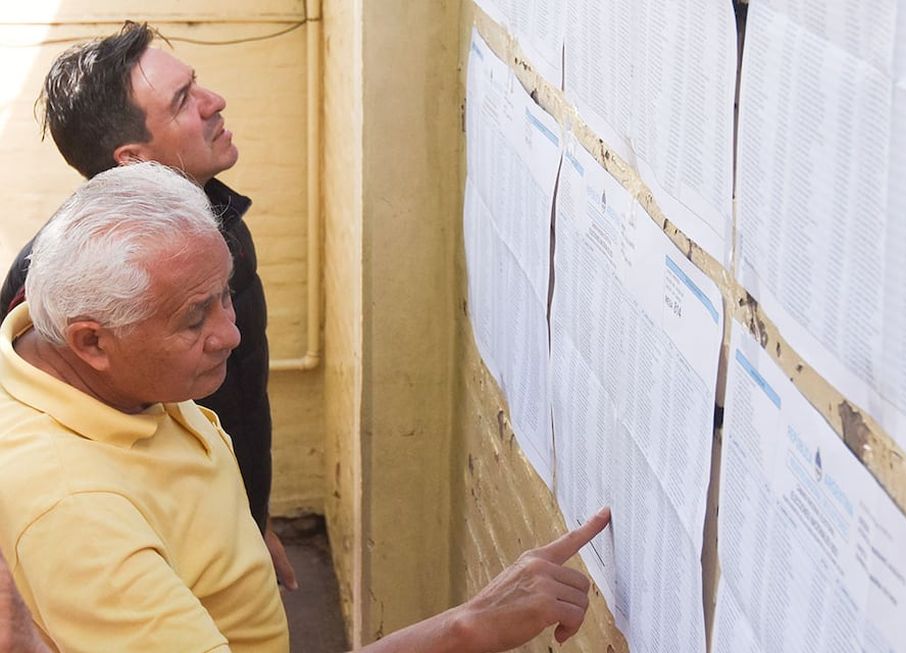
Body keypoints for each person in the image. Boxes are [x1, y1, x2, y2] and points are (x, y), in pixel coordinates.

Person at [0, 162, 611, 652]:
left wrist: (232, 537)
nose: (230, 335)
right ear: (91, 341)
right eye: (194, 318)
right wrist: (467, 627)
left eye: (225, 297)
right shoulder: (75, 510)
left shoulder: (75, 363)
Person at [0, 21, 296, 587]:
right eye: (184, 100)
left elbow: (237, 405)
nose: (215, 102)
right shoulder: (66, 280)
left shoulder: (212, 221)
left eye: (195, 84)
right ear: (134, 159)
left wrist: (252, 521)